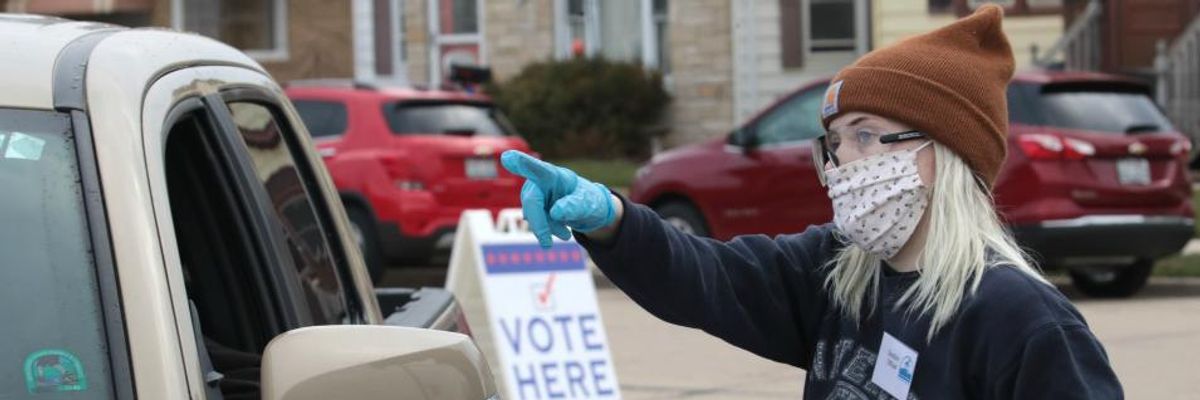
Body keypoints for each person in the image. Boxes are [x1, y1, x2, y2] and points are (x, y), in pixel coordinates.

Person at [501, 5, 1122, 399]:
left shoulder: (1021, 321)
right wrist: (611, 218)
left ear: (946, 152)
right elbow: (705, 278)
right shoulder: (836, 274)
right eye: (833, 140)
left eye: (865, 135)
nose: (842, 161)